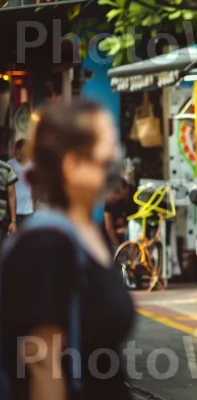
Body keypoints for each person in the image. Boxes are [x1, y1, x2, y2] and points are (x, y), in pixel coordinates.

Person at [0, 101, 135, 399]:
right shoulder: (47, 244)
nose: (114, 158)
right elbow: (41, 363)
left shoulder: (90, 232)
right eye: (106, 149)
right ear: (72, 164)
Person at [104, 176, 137, 250]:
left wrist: (126, 229)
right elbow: (108, 226)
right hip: (116, 234)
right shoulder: (111, 200)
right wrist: (118, 246)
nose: (116, 196)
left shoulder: (135, 193)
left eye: (118, 192)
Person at [8, 138, 35, 226]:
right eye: (19, 152)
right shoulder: (10, 164)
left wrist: (34, 206)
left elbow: (35, 187)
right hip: (12, 211)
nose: (21, 155)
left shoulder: (32, 166)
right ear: (16, 151)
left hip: (28, 210)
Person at [0, 159, 17, 241]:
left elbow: (11, 194)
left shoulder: (6, 168)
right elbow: (11, 195)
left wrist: (13, 221)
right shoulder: (6, 168)